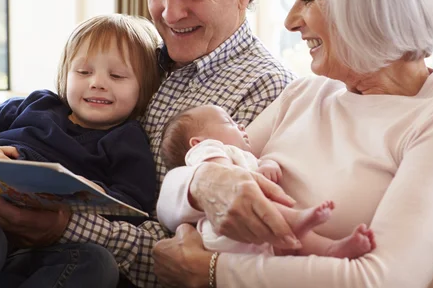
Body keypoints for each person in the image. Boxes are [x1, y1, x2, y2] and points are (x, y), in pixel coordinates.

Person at [0, 0, 295, 287]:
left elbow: (196, 262)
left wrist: (64, 228)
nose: (170, 12)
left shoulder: (269, 92)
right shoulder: (136, 57)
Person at [152, 0, 433, 288]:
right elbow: (170, 194)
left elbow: (380, 279)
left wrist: (213, 271)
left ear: (367, 3)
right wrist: (203, 184)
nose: (290, 21)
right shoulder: (306, 93)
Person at [0, 14, 161, 288]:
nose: (97, 83)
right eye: (83, 72)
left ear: (144, 87)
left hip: (34, 248)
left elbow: (134, 207)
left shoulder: (129, 141)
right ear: (65, 74)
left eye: (117, 75)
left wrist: (93, 192)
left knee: (97, 263)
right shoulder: (37, 105)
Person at [160, 104, 376, 258]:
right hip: (224, 231)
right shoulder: (209, 150)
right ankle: (297, 218)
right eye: (229, 122)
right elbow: (222, 178)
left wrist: (267, 165)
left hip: (252, 245)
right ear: (198, 142)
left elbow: (258, 166)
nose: (242, 125)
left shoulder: (243, 156)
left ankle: (332, 250)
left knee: (295, 242)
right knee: (266, 206)